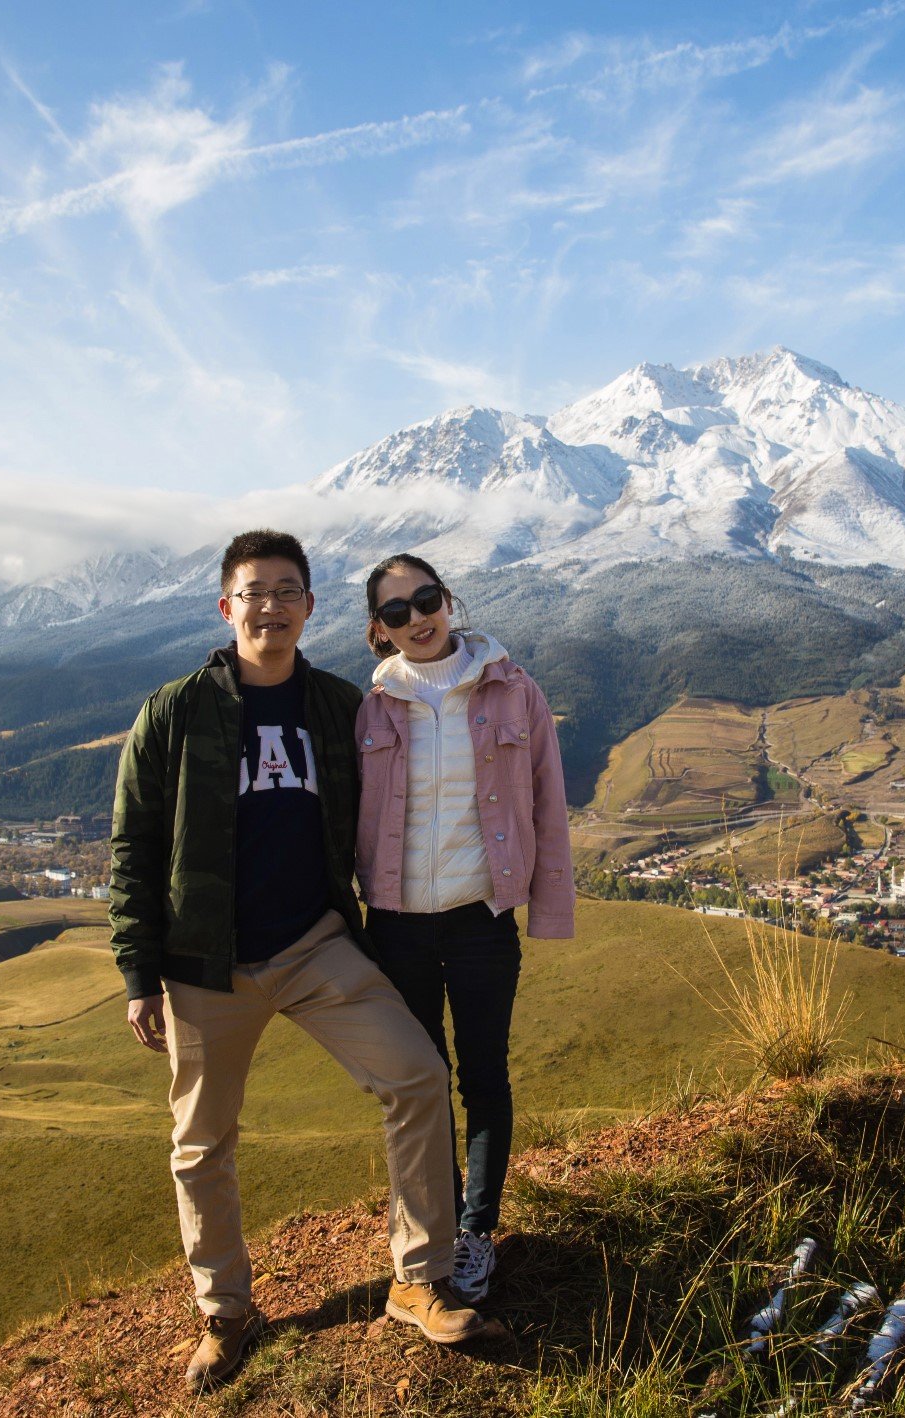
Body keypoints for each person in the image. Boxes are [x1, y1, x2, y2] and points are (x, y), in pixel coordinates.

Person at [109, 530, 490, 1394]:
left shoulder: (335, 705)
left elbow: (395, 803)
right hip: (205, 963)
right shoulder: (174, 712)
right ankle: (226, 1313)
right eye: (254, 592)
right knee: (201, 1144)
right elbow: (132, 846)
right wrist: (139, 972)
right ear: (227, 607)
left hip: (316, 944)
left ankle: (418, 1278)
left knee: (418, 1077)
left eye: (287, 591)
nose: (270, 607)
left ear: (310, 607)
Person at [353, 553, 574, 1305]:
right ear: (379, 630)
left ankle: (477, 1230)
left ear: (447, 599)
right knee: (420, 1084)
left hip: (481, 920)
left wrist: (549, 910)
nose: (416, 619)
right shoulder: (370, 708)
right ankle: (435, 1226)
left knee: (484, 1076)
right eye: (396, 612)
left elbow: (547, 800)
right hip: (396, 926)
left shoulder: (514, 689)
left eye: (425, 600)